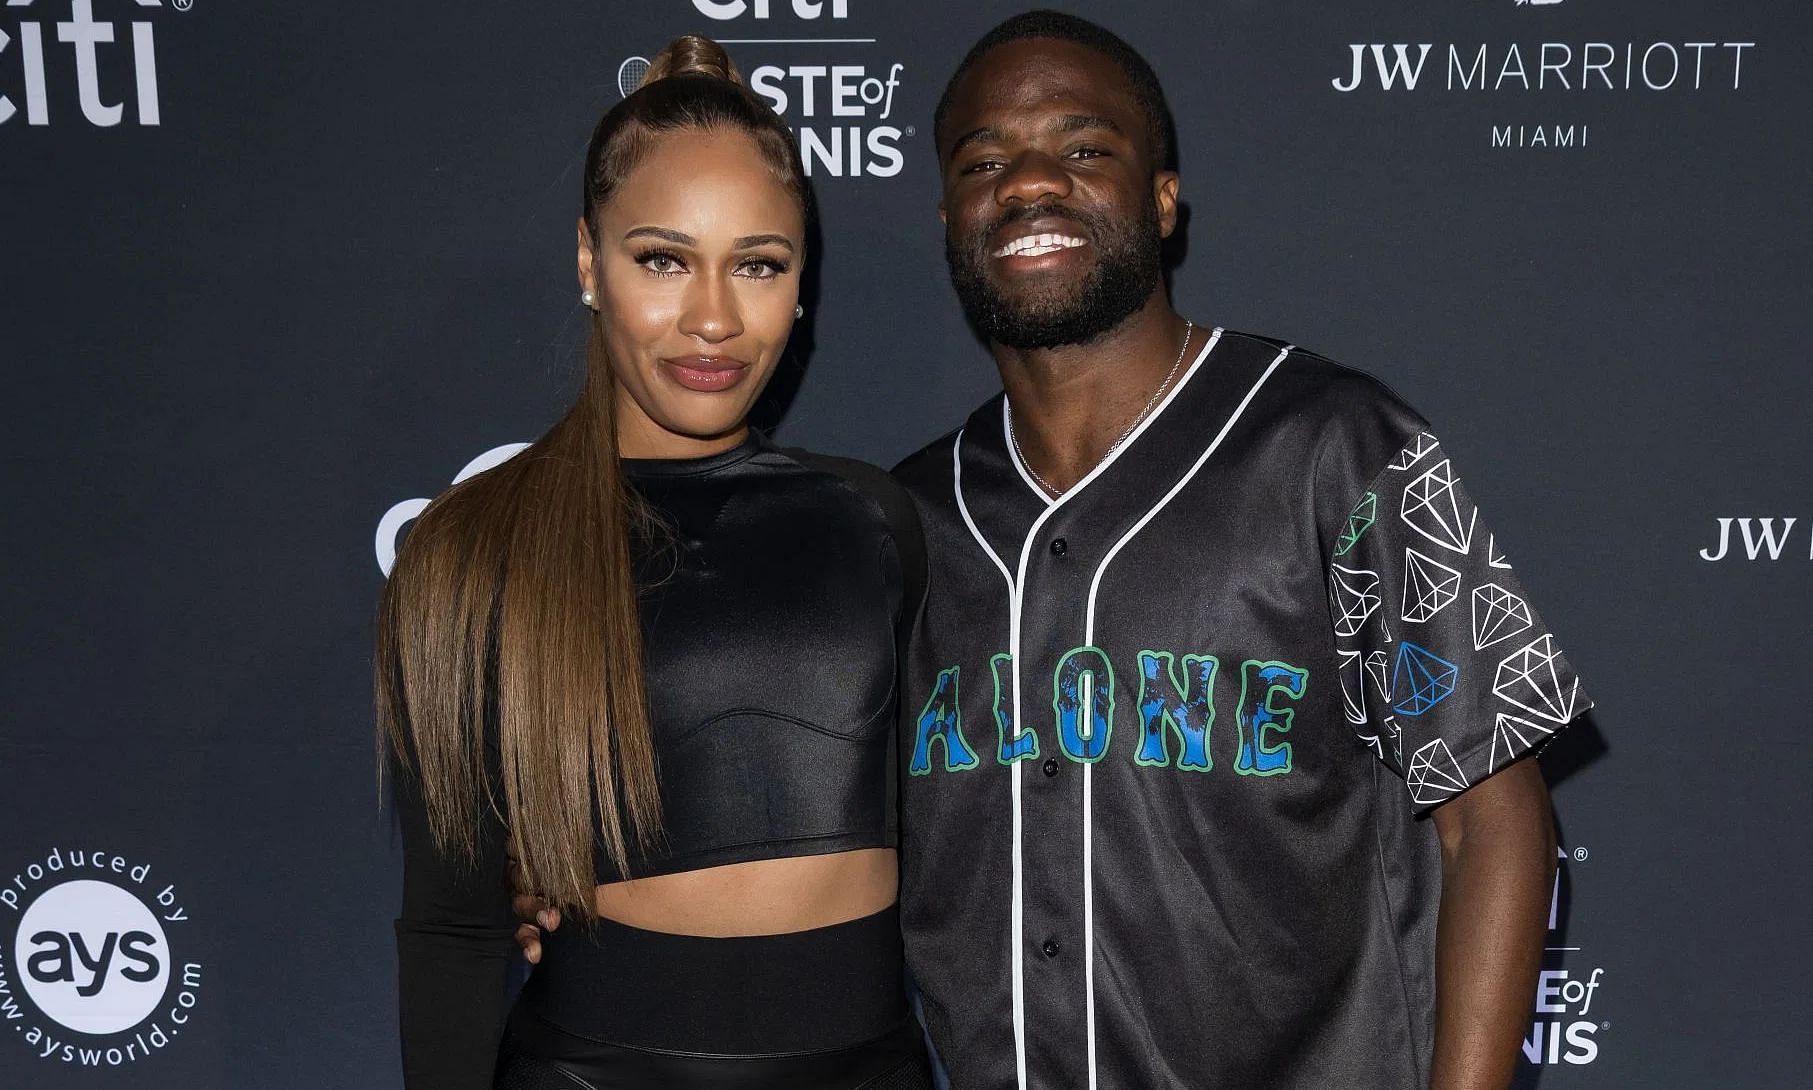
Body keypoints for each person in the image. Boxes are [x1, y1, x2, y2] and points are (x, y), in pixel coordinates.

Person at [516, 11, 1591, 1089]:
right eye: (985, 160)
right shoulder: (899, 521)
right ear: (949, 216)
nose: (1029, 182)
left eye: (1083, 149)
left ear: (1162, 198)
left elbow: (1494, 821)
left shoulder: (1335, 446)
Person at [378, 35, 932, 1090]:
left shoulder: (874, 520)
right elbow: (452, 934)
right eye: (663, 259)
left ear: (801, 285)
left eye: (758, 264)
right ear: (591, 263)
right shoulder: (473, 551)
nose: (713, 317)